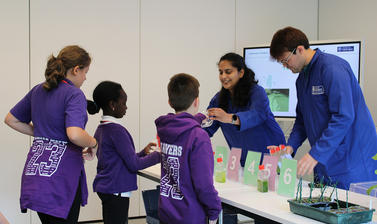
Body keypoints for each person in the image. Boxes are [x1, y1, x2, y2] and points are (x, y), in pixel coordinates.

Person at [269, 26, 377, 189]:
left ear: (299, 49)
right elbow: (302, 120)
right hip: (325, 161)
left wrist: (315, 154)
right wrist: (290, 147)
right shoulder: (302, 79)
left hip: (351, 161)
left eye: (285, 60)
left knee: (349, 210)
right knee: (321, 209)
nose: (285, 66)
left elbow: (344, 116)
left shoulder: (332, 68)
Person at [4, 45, 97, 223]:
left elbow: (11, 119)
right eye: (85, 72)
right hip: (60, 179)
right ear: (76, 70)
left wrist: (42, 133)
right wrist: (94, 143)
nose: (85, 78)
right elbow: (75, 134)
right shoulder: (74, 94)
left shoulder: (38, 90)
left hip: (36, 177)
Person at [87, 81, 160, 224]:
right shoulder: (117, 131)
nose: (126, 107)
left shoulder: (102, 128)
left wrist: (142, 153)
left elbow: (120, 158)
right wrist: (159, 155)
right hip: (116, 190)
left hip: (108, 188)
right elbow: (133, 165)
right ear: (112, 104)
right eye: (124, 102)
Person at [155, 73, 221, 224]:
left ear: (170, 102)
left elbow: (182, 122)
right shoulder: (199, 136)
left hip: (167, 211)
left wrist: (199, 117)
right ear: (196, 101)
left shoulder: (165, 129)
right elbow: (204, 185)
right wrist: (214, 211)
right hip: (191, 216)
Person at [205, 52, 286, 166]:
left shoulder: (257, 92)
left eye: (228, 72)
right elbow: (207, 127)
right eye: (221, 72)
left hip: (271, 157)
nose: (223, 76)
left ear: (241, 72)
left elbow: (257, 114)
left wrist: (229, 118)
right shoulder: (218, 99)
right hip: (246, 162)